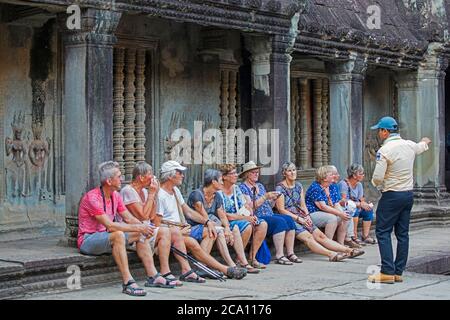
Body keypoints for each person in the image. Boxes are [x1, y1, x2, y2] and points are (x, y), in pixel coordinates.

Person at [78, 161, 174, 297]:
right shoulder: (92, 198)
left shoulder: (115, 195)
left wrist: (144, 227)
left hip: (107, 236)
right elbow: (110, 226)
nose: (122, 179)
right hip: (88, 240)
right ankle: (128, 282)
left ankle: (153, 275)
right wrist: (139, 226)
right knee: (118, 234)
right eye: (119, 176)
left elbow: (129, 218)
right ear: (109, 181)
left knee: (138, 232)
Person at [157, 160, 247, 280]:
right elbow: (157, 222)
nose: (183, 175)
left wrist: (207, 222)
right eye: (179, 173)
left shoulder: (175, 191)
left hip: (182, 229)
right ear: (170, 175)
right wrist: (177, 230)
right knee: (196, 242)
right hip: (172, 231)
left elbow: (188, 211)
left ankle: (204, 268)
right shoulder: (160, 194)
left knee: (211, 231)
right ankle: (222, 269)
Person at [368, 116, 431, 284]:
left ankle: (387, 271)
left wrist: (376, 184)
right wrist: (425, 141)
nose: (379, 134)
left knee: (382, 232)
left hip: (392, 195)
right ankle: (398, 271)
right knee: (402, 234)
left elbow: (378, 177)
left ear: (385, 131)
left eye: (379, 131)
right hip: (407, 195)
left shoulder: (385, 150)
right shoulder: (409, 145)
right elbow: (420, 147)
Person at [121, 161, 194, 286]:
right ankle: (155, 275)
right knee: (158, 232)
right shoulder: (128, 191)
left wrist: (153, 196)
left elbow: (150, 216)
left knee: (169, 231)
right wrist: (152, 194)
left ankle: (167, 271)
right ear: (141, 177)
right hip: (132, 231)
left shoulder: (144, 191)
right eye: (150, 174)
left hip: (146, 228)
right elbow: (142, 215)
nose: (153, 178)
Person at [275, 162, 364, 262]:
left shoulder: (298, 185)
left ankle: (349, 250)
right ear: (284, 173)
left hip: (303, 215)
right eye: (289, 171)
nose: (292, 173)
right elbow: (281, 209)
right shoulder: (280, 188)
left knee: (321, 236)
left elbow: (303, 205)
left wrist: (307, 216)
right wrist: (299, 218)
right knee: (309, 238)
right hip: (291, 218)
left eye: (294, 170)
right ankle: (331, 254)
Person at [187, 169, 259, 274]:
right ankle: (230, 266)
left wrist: (227, 229)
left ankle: (242, 262)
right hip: (197, 226)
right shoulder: (197, 195)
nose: (222, 182)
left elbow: (222, 215)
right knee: (218, 231)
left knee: (233, 229)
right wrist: (223, 229)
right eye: (220, 180)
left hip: (212, 225)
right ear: (213, 182)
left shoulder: (217, 196)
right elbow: (205, 218)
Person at [239, 161, 300, 265]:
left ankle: (290, 253)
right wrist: (265, 197)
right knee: (279, 222)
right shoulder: (243, 187)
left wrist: (273, 200)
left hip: (269, 213)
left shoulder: (260, 186)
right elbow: (249, 206)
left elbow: (269, 205)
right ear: (246, 174)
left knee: (289, 220)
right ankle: (279, 255)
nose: (256, 174)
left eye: (257, 172)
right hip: (257, 216)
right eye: (253, 172)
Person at [218, 164, 268, 269]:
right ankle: (240, 259)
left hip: (241, 217)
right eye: (233, 173)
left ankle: (252, 257)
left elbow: (244, 204)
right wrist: (246, 218)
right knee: (247, 226)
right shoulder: (219, 192)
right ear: (224, 177)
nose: (236, 175)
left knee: (262, 224)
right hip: (226, 221)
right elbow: (226, 215)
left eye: (236, 173)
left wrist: (251, 214)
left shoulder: (236, 188)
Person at [305, 166, 350, 245]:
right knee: (332, 218)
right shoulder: (316, 187)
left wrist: (342, 213)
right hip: (312, 213)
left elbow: (335, 203)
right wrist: (340, 213)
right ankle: (328, 245)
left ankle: (341, 245)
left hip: (325, 212)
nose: (334, 176)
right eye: (331, 174)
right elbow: (322, 207)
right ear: (324, 178)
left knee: (345, 218)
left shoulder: (331, 186)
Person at [338, 164, 376, 245]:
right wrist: (359, 204)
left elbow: (361, 199)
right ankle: (354, 236)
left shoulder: (359, 185)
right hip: (346, 208)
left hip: (356, 206)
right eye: (361, 173)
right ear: (354, 175)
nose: (363, 175)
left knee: (368, 210)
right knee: (355, 211)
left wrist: (366, 205)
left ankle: (365, 236)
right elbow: (343, 201)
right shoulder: (343, 184)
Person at [328, 165, 362, 249]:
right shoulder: (323, 186)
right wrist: (340, 211)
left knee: (347, 213)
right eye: (335, 174)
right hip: (323, 210)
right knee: (345, 213)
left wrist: (341, 209)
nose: (338, 176)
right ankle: (332, 243)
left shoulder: (334, 186)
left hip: (334, 207)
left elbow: (336, 202)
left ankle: (344, 241)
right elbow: (325, 205)